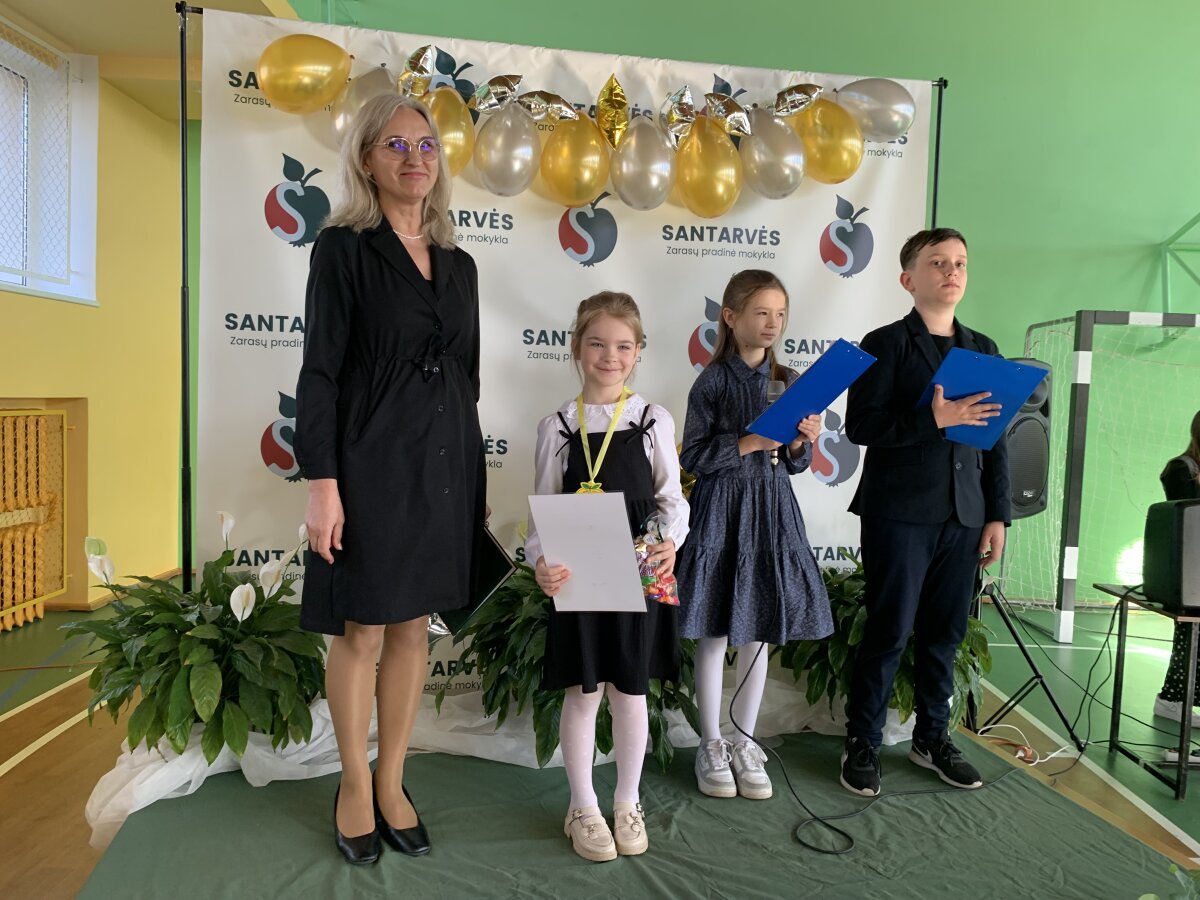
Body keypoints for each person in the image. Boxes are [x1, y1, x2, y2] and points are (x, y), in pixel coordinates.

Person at [294, 94, 486, 864]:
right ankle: (351, 783)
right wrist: (323, 482)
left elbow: (467, 378)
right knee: (364, 628)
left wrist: (469, 486)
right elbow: (319, 373)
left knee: (413, 628)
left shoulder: (461, 264)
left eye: (427, 144)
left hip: (445, 463)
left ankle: (392, 780)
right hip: (368, 463)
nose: (415, 157)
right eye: (396, 144)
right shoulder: (343, 250)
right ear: (367, 160)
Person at [839, 228, 1010, 797]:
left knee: (946, 633)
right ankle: (862, 741)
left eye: (960, 262)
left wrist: (997, 516)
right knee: (888, 630)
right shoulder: (885, 343)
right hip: (899, 513)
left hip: (965, 515)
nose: (952, 271)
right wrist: (932, 420)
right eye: (938, 262)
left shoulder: (984, 348)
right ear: (908, 279)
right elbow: (861, 425)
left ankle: (932, 738)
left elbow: (996, 441)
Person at [527, 291, 689, 862]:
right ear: (577, 347)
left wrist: (672, 542)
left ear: (638, 351)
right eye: (597, 343)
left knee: (631, 691)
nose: (610, 356)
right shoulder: (556, 426)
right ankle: (582, 806)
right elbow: (542, 511)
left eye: (623, 346)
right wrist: (541, 562)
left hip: (640, 572)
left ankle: (626, 802)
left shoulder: (651, 420)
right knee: (584, 691)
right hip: (579, 576)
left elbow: (671, 500)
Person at [675, 269, 834, 802]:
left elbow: (796, 463)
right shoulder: (712, 381)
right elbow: (694, 456)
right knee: (714, 630)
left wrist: (801, 442)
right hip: (721, 509)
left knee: (759, 627)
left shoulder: (790, 379)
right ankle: (711, 742)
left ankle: (745, 740)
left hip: (771, 509)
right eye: (761, 312)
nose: (772, 323)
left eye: (780, 314)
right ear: (731, 317)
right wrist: (749, 442)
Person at [1153, 410, 1200, 723]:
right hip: (1186, 573)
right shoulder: (1182, 469)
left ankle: (1176, 699)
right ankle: (1171, 700)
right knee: (1191, 634)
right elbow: (1189, 520)